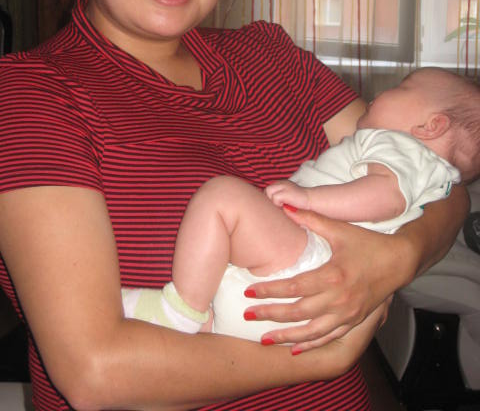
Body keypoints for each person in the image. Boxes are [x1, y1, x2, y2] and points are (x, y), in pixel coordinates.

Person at [0, 0, 469, 411]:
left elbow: (440, 176)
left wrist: (393, 259)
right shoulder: (30, 94)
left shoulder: (270, 57)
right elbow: (95, 373)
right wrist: (321, 356)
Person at [122, 67, 479, 343]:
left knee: (222, 198)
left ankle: (180, 310)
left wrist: (309, 199)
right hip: (307, 300)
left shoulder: (400, 147)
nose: (384, 91)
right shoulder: (433, 177)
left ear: (432, 126)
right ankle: (202, 320)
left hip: (310, 262)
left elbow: (386, 197)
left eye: (402, 87)